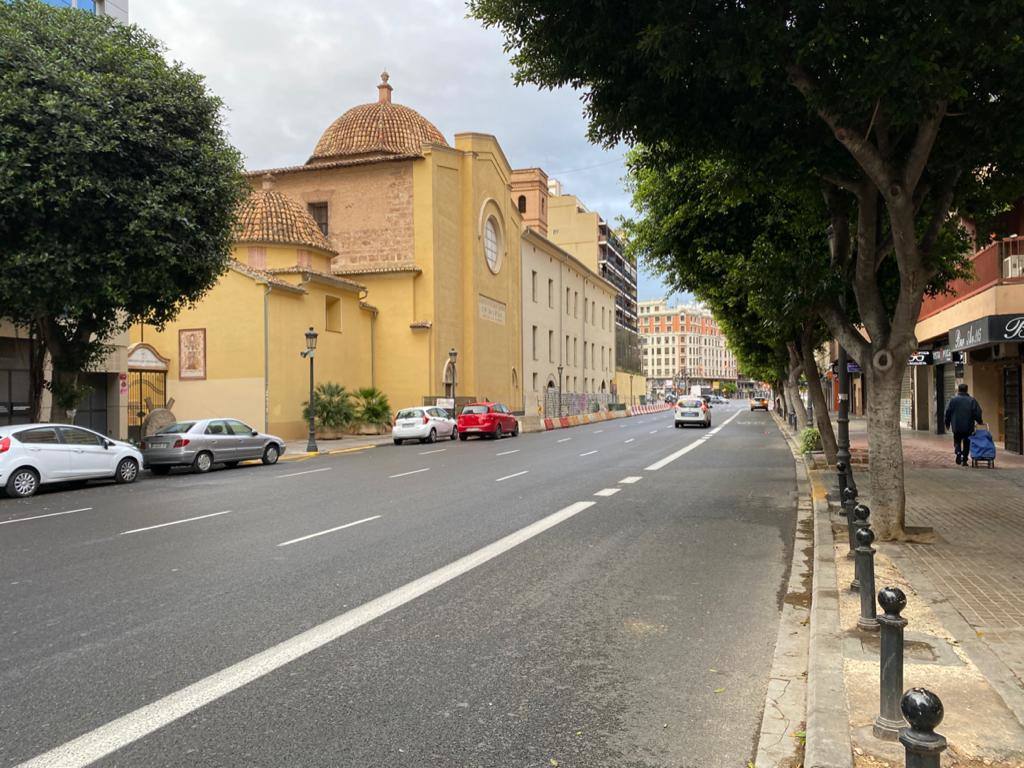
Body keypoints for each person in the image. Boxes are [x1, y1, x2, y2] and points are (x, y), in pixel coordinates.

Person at [944, 383, 983, 466]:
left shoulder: (953, 400)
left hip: (956, 425)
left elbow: (947, 412)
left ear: (958, 390)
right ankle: (964, 460)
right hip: (968, 426)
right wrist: (979, 421)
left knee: (957, 440)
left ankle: (958, 452)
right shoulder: (972, 400)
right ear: (966, 390)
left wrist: (947, 423)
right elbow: (977, 412)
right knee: (967, 442)